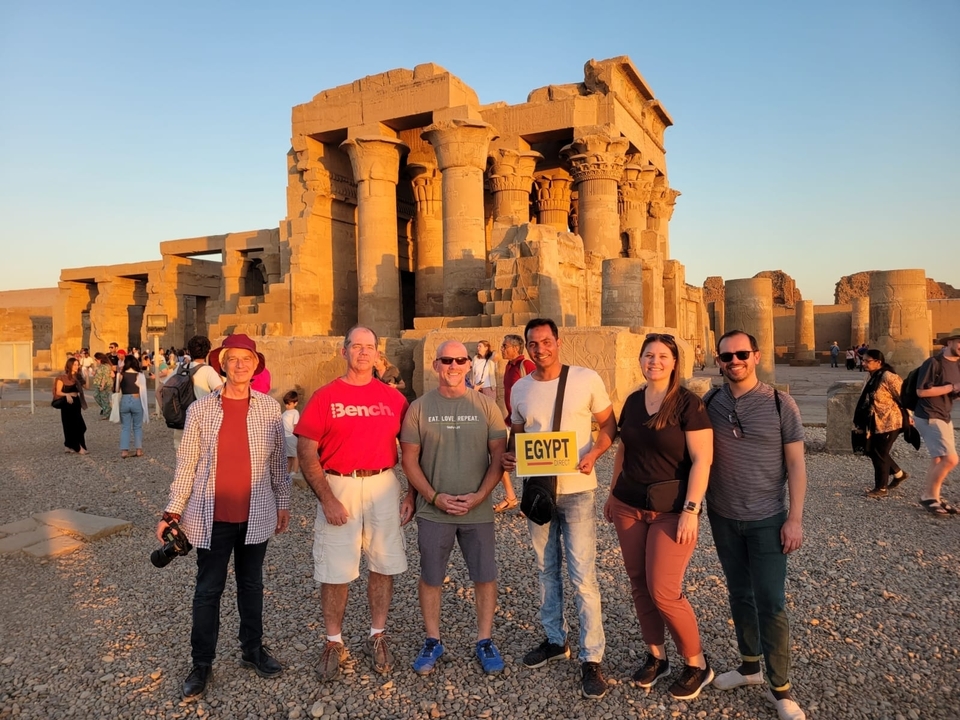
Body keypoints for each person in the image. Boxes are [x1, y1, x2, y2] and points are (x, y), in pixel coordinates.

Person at [156, 333, 290, 701]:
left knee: (251, 586)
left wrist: (284, 502)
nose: (241, 364)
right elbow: (187, 466)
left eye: (247, 358)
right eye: (233, 359)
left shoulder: (269, 408)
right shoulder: (201, 410)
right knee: (208, 590)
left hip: (256, 510)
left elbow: (278, 463)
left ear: (256, 365)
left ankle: (252, 649)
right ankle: (201, 663)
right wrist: (172, 511)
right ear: (223, 364)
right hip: (211, 514)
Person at [501, 318, 617, 700]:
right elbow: (518, 433)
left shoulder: (585, 379)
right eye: (533, 344)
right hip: (539, 492)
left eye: (546, 342)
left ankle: (592, 658)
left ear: (558, 342)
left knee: (583, 576)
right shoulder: (520, 387)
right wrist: (511, 455)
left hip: (578, 489)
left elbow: (608, 425)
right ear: (527, 348)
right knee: (545, 570)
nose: (540, 349)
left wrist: (595, 455)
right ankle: (555, 639)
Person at [602, 333, 715, 700]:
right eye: (649, 355)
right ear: (640, 360)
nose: (655, 361)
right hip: (628, 504)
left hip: (671, 509)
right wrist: (611, 491)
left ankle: (697, 663)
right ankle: (657, 656)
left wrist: (692, 511)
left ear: (674, 361)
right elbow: (624, 449)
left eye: (662, 356)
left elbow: (702, 460)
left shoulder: (688, 404)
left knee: (664, 590)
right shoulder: (634, 401)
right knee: (638, 583)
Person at [295, 326, 410, 682]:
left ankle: (377, 634)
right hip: (339, 483)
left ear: (378, 354)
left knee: (383, 563)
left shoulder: (394, 399)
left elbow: (413, 450)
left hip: (382, 483)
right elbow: (306, 450)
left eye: (370, 347)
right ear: (344, 352)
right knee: (335, 568)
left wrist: (413, 493)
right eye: (356, 347)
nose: (363, 353)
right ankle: (333, 640)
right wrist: (326, 498)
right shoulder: (325, 396)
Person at [704, 330, 807, 720]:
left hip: (767, 518)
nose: (734, 362)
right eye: (726, 356)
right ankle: (749, 667)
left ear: (756, 356)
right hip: (723, 515)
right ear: (719, 361)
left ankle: (780, 688)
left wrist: (794, 518)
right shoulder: (710, 402)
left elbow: (796, 465)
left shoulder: (781, 403)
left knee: (771, 602)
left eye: (741, 354)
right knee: (739, 594)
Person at [400, 340, 508, 675]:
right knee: (432, 576)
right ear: (436, 365)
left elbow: (498, 459)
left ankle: (485, 639)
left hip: (477, 509)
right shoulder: (418, 407)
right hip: (435, 509)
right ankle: (433, 638)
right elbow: (409, 460)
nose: (453, 365)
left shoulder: (486, 406)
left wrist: (479, 495)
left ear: (468, 365)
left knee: (485, 575)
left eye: (460, 360)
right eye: (446, 360)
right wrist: (432, 496)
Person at [915, 328, 960, 515]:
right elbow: (922, 392)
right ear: (949, 343)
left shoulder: (958, 365)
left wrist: (955, 391)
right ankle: (928, 496)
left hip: (944, 414)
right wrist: (952, 387)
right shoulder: (933, 363)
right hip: (929, 415)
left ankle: (935, 497)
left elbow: (953, 395)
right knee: (951, 459)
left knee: (939, 458)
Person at [851, 349, 909, 497]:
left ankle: (881, 488)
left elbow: (904, 397)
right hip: (875, 422)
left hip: (890, 421)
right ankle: (898, 474)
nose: (863, 363)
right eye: (862, 360)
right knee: (871, 450)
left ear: (879, 362)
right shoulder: (871, 376)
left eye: (867, 361)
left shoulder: (889, 377)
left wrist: (910, 415)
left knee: (880, 453)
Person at [493, 334, 534, 513]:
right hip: (510, 419)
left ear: (516, 348)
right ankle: (511, 496)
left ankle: (528, 501)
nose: (502, 348)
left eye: (505, 345)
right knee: (499, 457)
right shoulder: (509, 366)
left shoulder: (526, 365)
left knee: (527, 463)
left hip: (526, 422)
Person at [171, 336, 224, 451]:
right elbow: (222, 394)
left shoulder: (179, 369)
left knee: (183, 462)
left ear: (188, 351)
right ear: (208, 351)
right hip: (202, 423)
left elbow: (159, 391)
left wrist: (171, 412)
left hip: (182, 421)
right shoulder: (208, 371)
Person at [116, 354, 150, 459]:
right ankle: (138, 450)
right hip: (136, 400)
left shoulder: (120, 375)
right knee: (137, 427)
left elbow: (117, 389)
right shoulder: (140, 375)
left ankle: (124, 451)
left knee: (125, 427)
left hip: (125, 400)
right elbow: (143, 391)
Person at [53, 357, 88, 454]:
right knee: (69, 425)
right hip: (67, 403)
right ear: (70, 365)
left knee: (80, 426)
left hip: (76, 402)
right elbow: (58, 392)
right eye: (75, 365)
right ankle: (76, 447)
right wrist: (67, 394)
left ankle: (69, 445)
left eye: (78, 364)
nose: (77, 366)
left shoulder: (78, 377)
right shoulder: (62, 377)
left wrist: (87, 376)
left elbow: (87, 387)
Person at [281, 390, 300, 477]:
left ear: (295, 403)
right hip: (285, 436)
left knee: (294, 454)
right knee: (288, 455)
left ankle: (295, 471)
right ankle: (288, 471)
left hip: (291, 436)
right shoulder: (285, 413)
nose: (287, 406)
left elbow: (295, 425)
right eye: (286, 404)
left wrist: (296, 436)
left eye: (289, 404)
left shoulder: (295, 413)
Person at [91, 352, 113, 419]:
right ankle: (107, 409)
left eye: (96, 359)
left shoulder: (106, 366)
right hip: (98, 384)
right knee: (96, 396)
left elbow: (105, 377)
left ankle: (107, 413)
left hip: (104, 385)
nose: (96, 361)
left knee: (104, 398)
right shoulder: (100, 366)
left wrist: (102, 385)